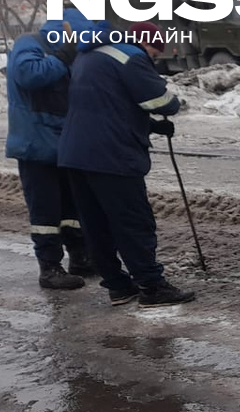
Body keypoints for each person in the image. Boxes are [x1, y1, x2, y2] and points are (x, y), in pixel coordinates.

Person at [58, 21, 195, 307]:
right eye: (155, 55)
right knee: (132, 221)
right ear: (146, 44)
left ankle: (118, 286)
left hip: (75, 152)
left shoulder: (89, 54)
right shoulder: (130, 56)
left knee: (96, 223)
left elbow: (107, 103)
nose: (153, 61)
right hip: (111, 156)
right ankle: (151, 286)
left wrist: (151, 127)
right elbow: (162, 101)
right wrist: (170, 106)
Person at [5, 8, 94, 290]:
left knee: (72, 207)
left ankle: (80, 257)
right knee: (45, 211)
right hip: (35, 144)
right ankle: (49, 267)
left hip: (66, 143)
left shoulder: (72, 51)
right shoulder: (29, 44)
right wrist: (61, 56)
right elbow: (29, 75)